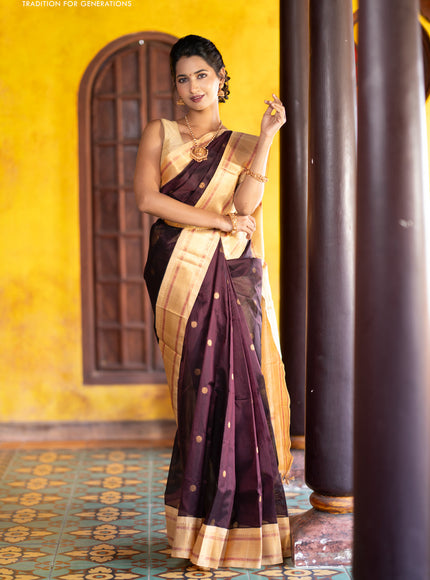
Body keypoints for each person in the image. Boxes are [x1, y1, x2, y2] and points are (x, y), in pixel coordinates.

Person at [134, 34, 292, 570]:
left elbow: (249, 203)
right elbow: (148, 199)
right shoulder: (162, 132)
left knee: (237, 388)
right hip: (177, 270)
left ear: (221, 78)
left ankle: (242, 531)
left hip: (227, 273)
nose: (194, 86)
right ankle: (196, 531)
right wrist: (220, 221)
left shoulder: (245, 142)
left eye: (202, 74)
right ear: (176, 89)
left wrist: (268, 136)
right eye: (184, 78)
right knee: (195, 397)